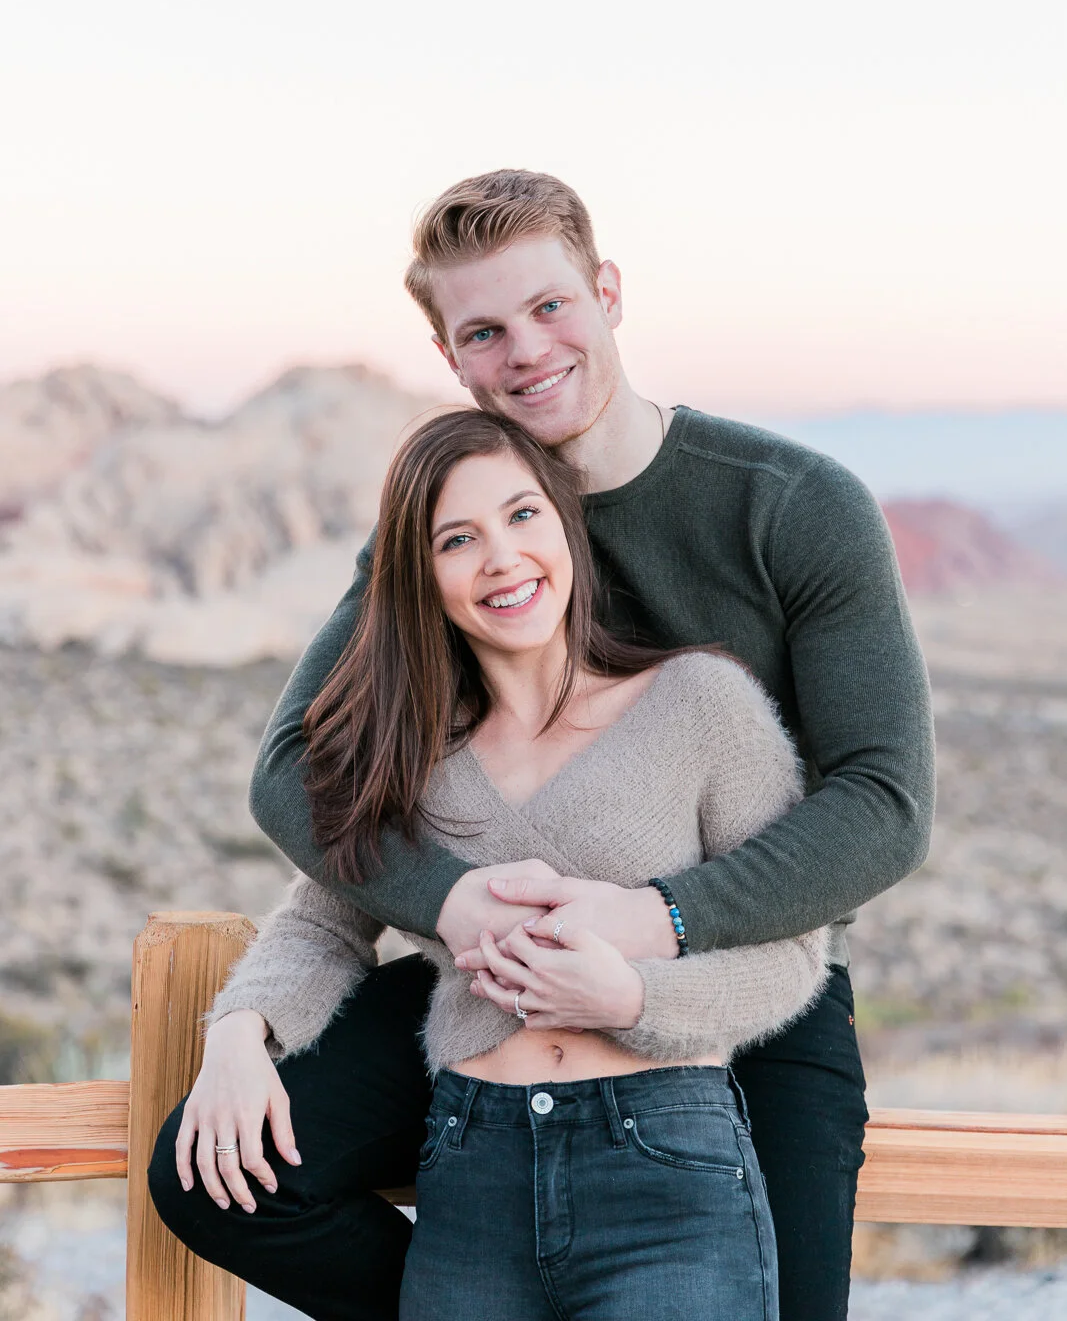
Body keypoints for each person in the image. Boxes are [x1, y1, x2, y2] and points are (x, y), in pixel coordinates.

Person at [149, 169, 935, 1321]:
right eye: (483, 331)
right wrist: (451, 902)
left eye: (549, 306)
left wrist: (658, 918)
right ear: (449, 354)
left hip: (744, 970)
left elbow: (883, 803)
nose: (525, 350)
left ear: (606, 292)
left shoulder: (790, 504)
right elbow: (295, 772)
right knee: (219, 1174)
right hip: (492, 973)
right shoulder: (446, 532)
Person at [157, 408, 830, 1320]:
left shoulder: (702, 703)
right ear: (421, 576)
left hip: (666, 1176)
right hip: (472, 1176)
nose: (502, 559)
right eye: (457, 539)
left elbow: (792, 954)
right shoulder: (409, 751)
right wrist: (238, 1035)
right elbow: (323, 923)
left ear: (567, 526)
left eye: (521, 516)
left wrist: (631, 998)